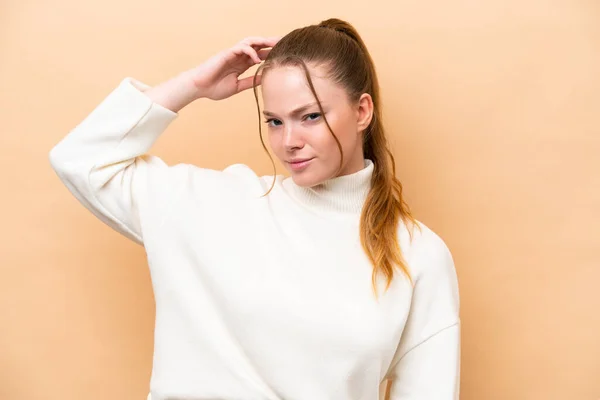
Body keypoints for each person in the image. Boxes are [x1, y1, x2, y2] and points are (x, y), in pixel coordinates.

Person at [49, 17, 460, 400]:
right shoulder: (214, 205)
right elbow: (79, 159)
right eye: (275, 121)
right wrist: (193, 85)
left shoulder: (419, 254)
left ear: (362, 111)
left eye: (310, 116)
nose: (289, 141)